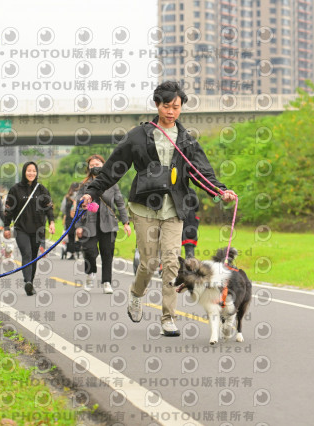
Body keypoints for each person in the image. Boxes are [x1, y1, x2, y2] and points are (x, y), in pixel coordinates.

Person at [80, 81, 237, 336]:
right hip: (144, 207)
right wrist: (92, 192)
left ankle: (168, 318)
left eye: (176, 107)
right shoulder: (138, 135)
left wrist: (220, 191)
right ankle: (136, 293)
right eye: (166, 106)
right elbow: (113, 169)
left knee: (172, 262)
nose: (171, 112)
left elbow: (201, 172)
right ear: (157, 104)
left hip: (174, 208)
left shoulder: (186, 140)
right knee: (150, 261)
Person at [75, 155, 131, 294]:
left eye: (98, 164)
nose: (95, 167)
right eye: (92, 165)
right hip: (89, 224)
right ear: (89, 168)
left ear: (104, 165)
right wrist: (78, 226)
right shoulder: (84, 185)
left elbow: (120, 203)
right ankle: (90, 273)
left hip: (109, 223)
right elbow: (78, 206)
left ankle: (107, 282)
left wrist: (125, 222)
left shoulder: (112, 183)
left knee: (107, 253)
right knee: (89, 251)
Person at [3, 161, 56, 296]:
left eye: (34, 171)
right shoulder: (15, 189)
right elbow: (8, 209)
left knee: (33, 256)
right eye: (29, 170)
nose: (31, 173)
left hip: (38, 229)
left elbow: (49, 207)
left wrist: (51, 222)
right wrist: (6, 226)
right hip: (21, 228)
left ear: (37, 173)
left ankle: (30, 283)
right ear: (24, 172)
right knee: (26, 253)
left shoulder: (41, 189)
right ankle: (27, 280)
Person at [60, 182, 82, 260]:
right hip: (79, 219)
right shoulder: (80, 197)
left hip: (69, 220)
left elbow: (62, 209)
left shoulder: (67, 197)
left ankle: (71, 252)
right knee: (79, 235)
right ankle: (78, 249)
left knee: (71, 236)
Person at [182, 187, 200, 259]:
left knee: (172, 248)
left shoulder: (172, 189)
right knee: (189, 248)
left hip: (175, 219)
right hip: (190, 221)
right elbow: (197, 207)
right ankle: (190, 264)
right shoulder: (191, 191)